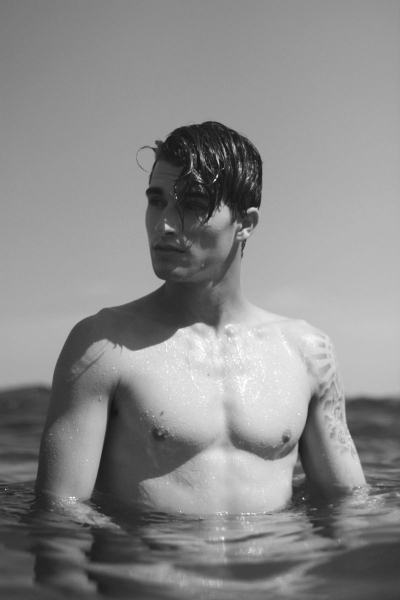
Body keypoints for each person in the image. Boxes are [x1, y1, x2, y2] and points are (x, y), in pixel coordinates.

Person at [36, 121, 365, 515]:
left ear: (245, 224)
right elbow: (61, 513)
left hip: (275, 554)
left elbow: (349, 504)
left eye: (192, 205)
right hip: (152, 555)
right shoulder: (102, 345)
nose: (164, 225)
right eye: (156, 200)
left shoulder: (308, 352)